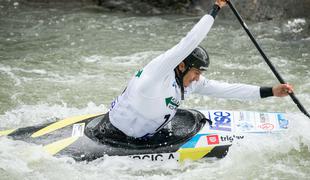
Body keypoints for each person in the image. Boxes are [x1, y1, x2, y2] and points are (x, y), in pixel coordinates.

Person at [106, 0, 293, 140]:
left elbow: (227, 90)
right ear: (181, 65)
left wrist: (272, 91)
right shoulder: (157, 74)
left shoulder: (188, 82)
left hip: (145, 131)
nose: (197, 78)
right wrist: (215, 8)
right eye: (196, 72)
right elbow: (189, 42)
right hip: (116, 135)